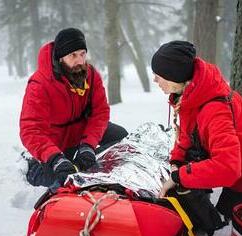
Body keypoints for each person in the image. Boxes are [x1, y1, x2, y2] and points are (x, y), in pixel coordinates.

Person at [19, 28, 128, 187]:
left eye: (82, 54)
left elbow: (100, 113)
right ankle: (33, 167)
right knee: (60, 179)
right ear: (60, 58)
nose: (79, 61)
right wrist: (55, 158)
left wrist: (88, 145)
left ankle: (90, 166)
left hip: (81, 134)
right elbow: (30, 129)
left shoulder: (90, 74)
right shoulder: (40, 84)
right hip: (55, 143)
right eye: (73, 55)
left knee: (121, 137)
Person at [151, 40, 242, 219]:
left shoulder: (215, 110)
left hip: (237, 173)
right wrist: (176, 161)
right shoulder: (192, 94)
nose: (155, 80)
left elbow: (229, 167)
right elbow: (187, 134)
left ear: (174, 76)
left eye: (159, 75)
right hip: (235, 166)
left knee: (222, 224)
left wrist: (179, 177)